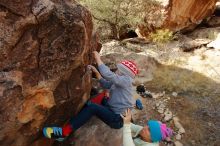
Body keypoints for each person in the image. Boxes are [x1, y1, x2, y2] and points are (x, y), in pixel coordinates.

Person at [43, 51, 138, 141]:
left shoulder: (126, 81)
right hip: (112, 109)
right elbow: (106, 84)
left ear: (123, 72)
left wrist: (98, 59)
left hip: (118, 119)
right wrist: (96, 73)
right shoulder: (121, 81)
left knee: (92, 108)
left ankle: (64, 133)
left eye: (119, 69)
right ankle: (85, 112)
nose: (116, 70)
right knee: (102, 97)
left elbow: (109, 75)